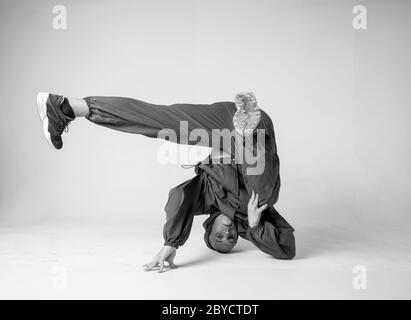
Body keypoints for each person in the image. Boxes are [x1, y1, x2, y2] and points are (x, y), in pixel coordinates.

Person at [36, 91, 296, 273]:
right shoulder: (248, 222)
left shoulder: (204, 197)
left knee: (157, 121)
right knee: (264, 199)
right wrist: (254, 225)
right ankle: (249, 130)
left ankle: (66, 107)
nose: (227, 233)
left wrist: (171, 243)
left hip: (221, 127)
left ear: (209, 226)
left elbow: (178, 198)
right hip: (250, 132)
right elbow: (287, 248)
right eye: (231, 238)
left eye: (219, 236)